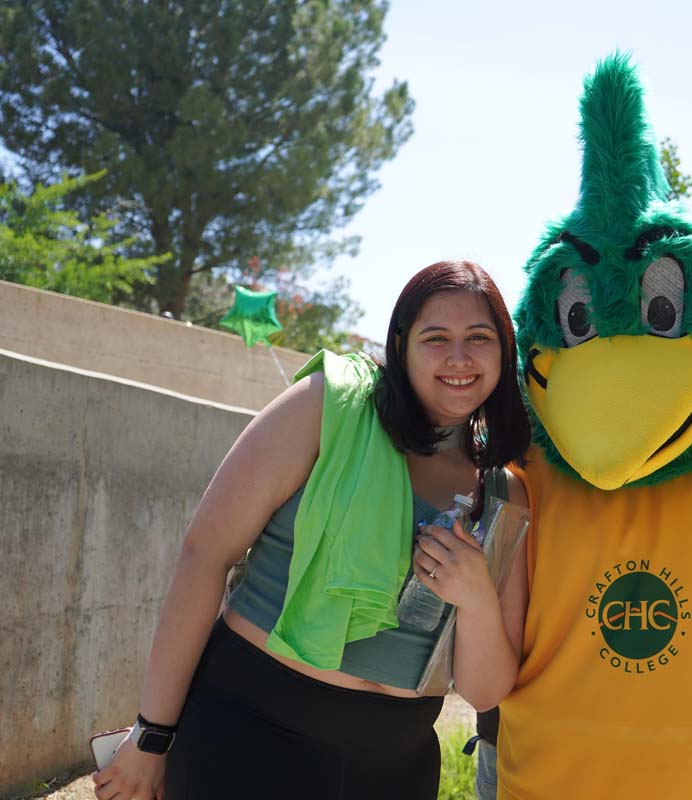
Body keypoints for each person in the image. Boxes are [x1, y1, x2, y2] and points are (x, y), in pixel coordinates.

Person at [91, 261, 531, 800]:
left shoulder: (505, 493)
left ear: (504, 351)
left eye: (479, 338)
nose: (459, 358)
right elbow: (204, 554)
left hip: (393, 766)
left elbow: (485, 691)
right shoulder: (327, 406)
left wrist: (476, 596)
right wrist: (153, 736)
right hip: (247, 737)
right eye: (436, 337)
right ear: (401, 344)